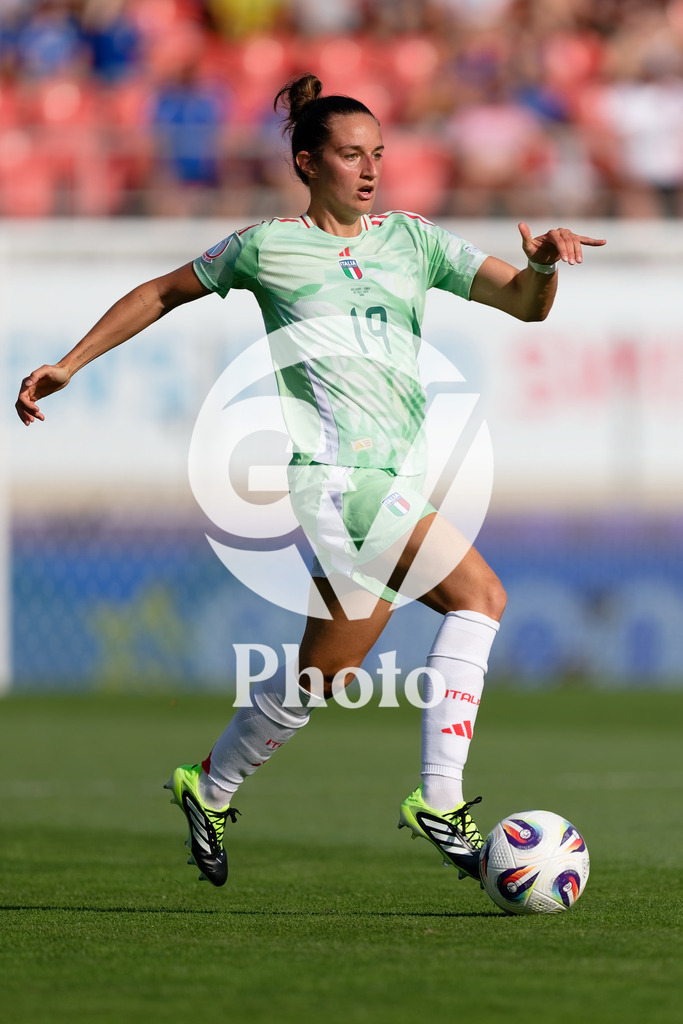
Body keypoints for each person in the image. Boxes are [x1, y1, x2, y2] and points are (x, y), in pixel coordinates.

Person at [16, 73, 606, 889]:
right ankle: (440, 799)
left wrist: (542, 267)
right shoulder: (267, 247)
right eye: (349, 155)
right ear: (306, 162)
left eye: (378, 154)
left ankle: (209, 787)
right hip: (337, 477)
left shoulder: (413, 240)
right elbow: (162, 290)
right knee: (482, 597)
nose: (369, 170)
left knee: (322, 676)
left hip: (392, 477)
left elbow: (524, 305)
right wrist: (70, 364)